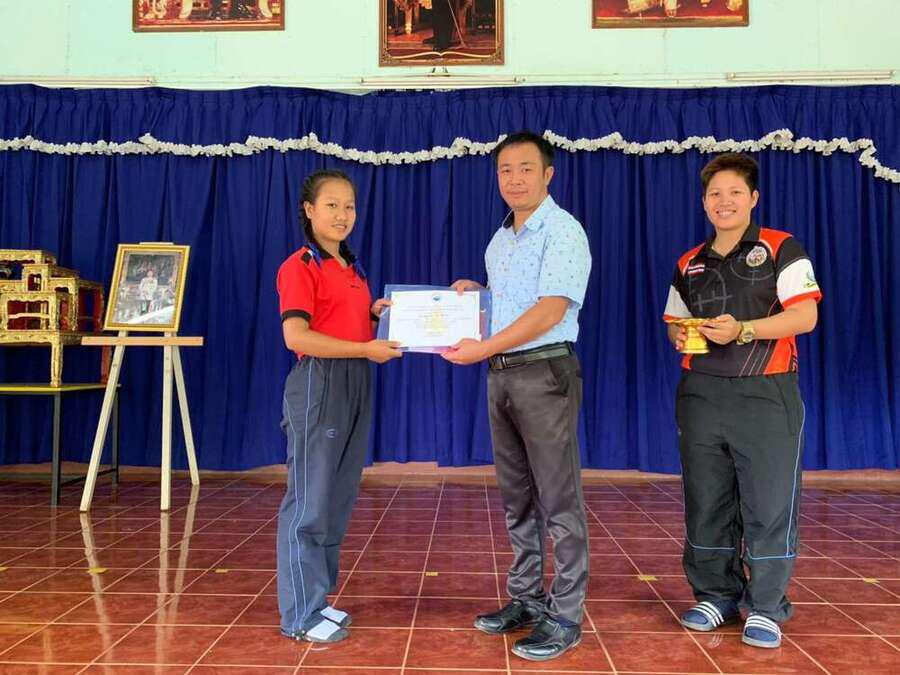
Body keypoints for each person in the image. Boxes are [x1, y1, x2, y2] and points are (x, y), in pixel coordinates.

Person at [663, 152, 821, 649]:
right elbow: (674, 323)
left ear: (753, 198)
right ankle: (717, 595)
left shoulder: (781, 247)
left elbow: (805, 318)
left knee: (768, 501)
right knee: (707, 498)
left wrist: (743, 330)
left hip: (766, 393)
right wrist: (680, 335)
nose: (724, 201)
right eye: (715, 194)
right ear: (704, 202)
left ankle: (767, 606)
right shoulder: (688, 262)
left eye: (734, 192)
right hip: (701, 394)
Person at [444, 131, 592, 662]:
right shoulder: (500, 239)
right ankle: (527, 598)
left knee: (558, 498)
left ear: (548, 174)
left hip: (544, 372)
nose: (514, 179)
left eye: (526, 168)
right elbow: (512, 305)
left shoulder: (563, 230)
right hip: (502, 374)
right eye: (505, 170)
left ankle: (566, 615)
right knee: (517, 497)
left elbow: (551, 310)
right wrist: (477, 296)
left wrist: (483, 347)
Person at [276, 169, 402, 643]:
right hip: (320, 382)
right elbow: (297, 336)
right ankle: (299, 615)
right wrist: (366, 347)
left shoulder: (351, 268)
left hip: (355, 379)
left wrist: (373, 315)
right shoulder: (299, 266)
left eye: (349, 206)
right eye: (331, 205)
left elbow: (341, 321)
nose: (342, 214)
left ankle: (318, 600)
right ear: (309, 210)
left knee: (336, 497)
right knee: (309, 500)